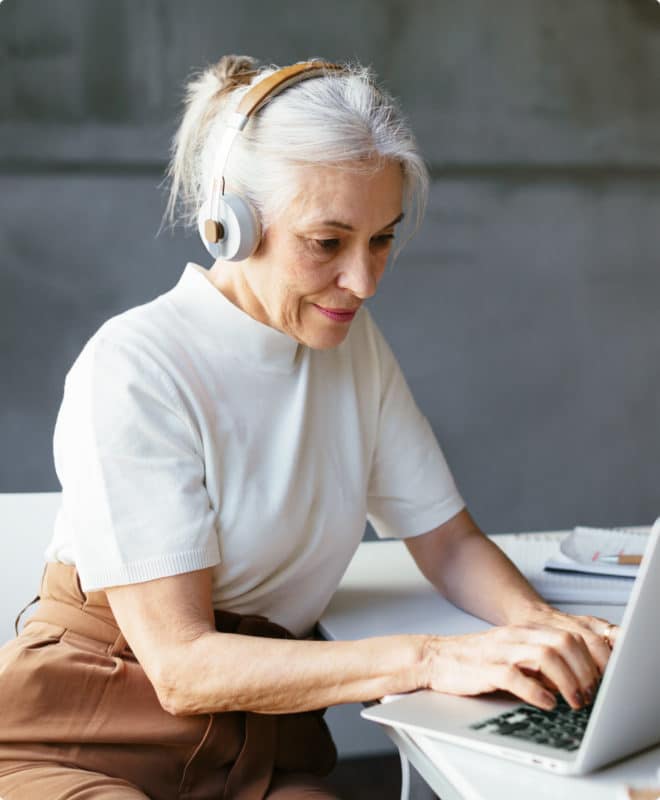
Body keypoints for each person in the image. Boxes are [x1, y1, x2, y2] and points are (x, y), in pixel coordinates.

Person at [0, 56, 618, 800]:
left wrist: (547, 633)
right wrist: (431, 658)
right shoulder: (135, 367)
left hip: (252, 741)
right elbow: (184, 667)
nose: (364, 281)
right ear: (229, 224)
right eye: (327, 243)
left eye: (382, 238)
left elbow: (448, 544)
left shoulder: (353, 348)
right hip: (85, 736)